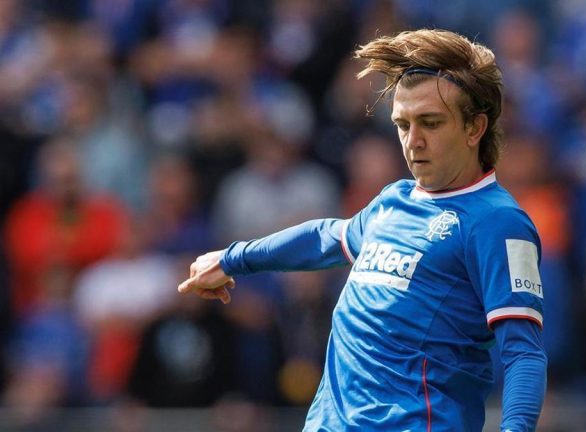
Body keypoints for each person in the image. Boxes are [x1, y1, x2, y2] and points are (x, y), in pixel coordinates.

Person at [178, 29, 547, 431]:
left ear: (474, 128)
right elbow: (325, 238)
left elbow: (523, 353)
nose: (413, 141)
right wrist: (232, 259)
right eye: (403, 124)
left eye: (431, 123)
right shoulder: (394, 201)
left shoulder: (498, 222)